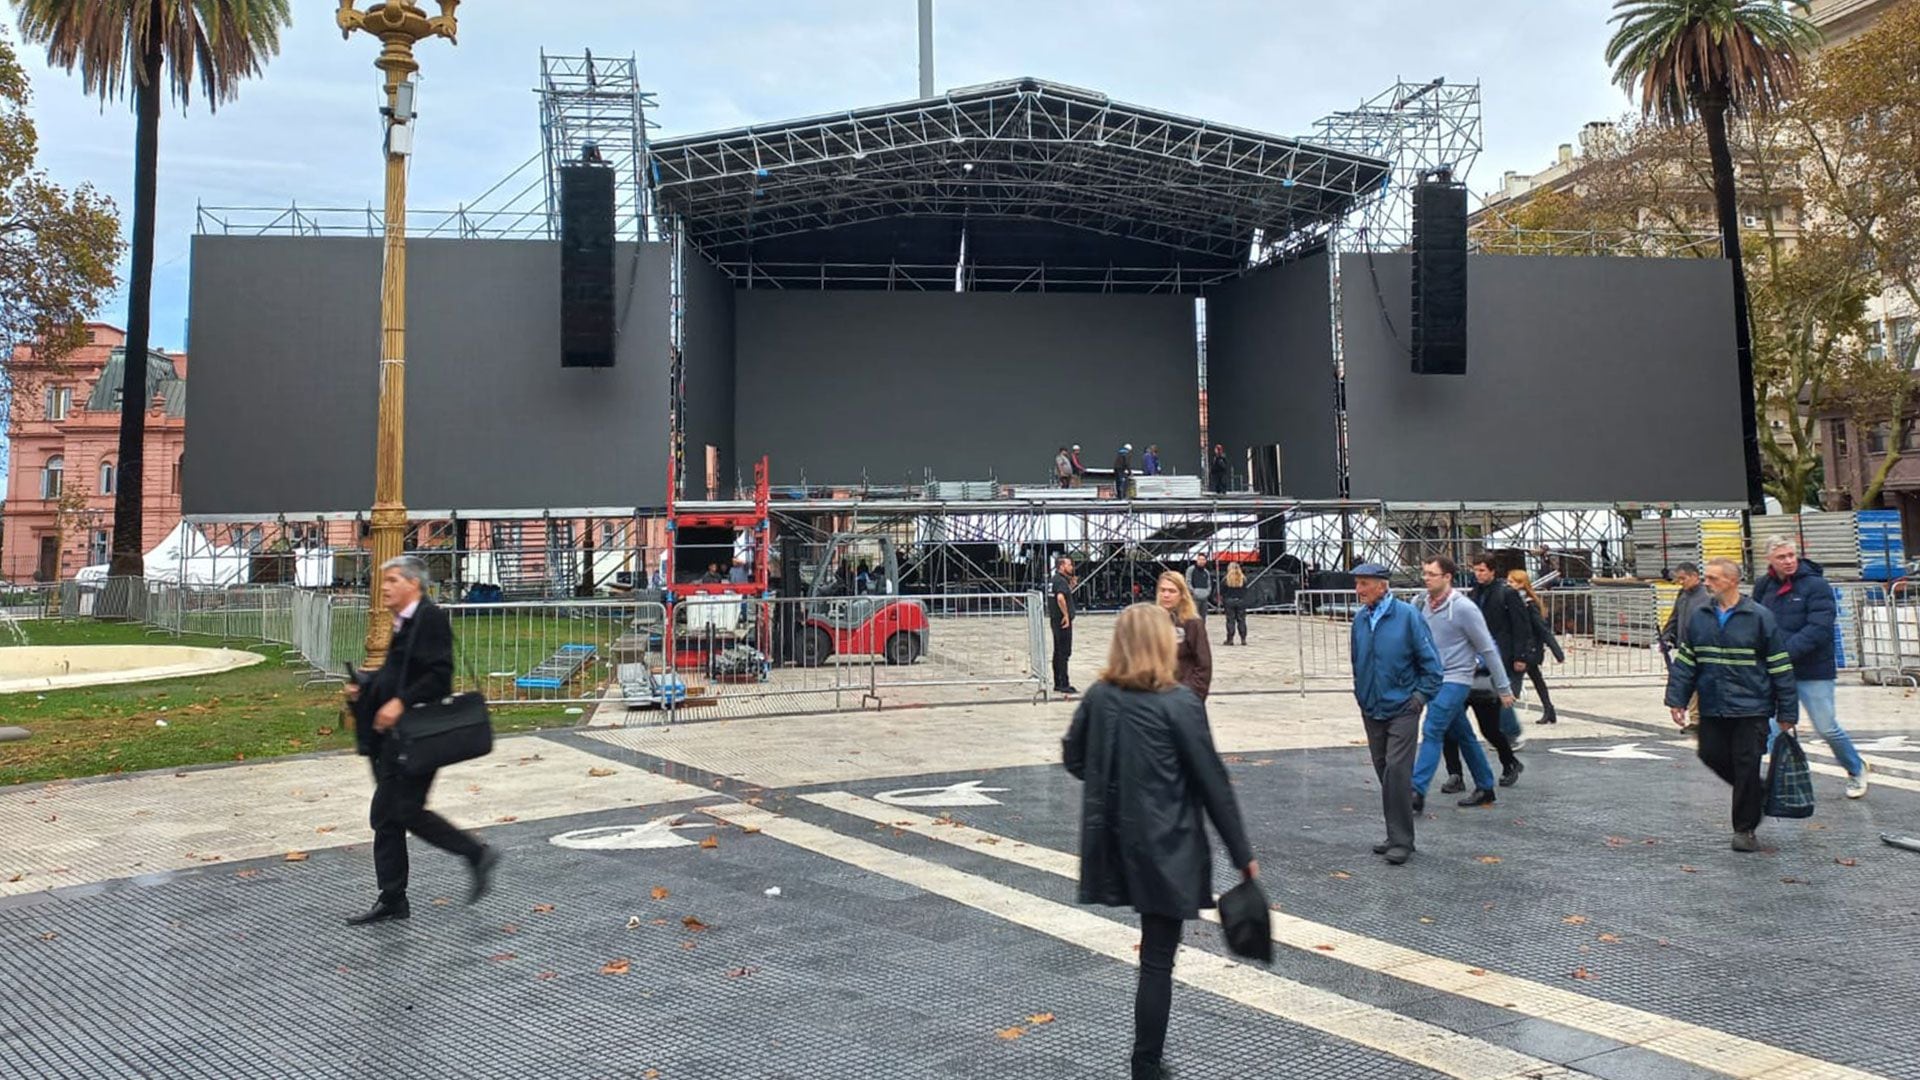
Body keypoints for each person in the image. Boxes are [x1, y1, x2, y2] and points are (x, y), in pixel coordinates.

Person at [1062, 603, 1256, 1080]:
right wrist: (1242, 854)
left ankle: (1147, 1064)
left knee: (1154, 957)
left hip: (1115, 840)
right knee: (1156, 960)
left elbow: (1073, 756)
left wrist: (1112, 780)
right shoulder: (1180, 703)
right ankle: (1146, 1063)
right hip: (1169, 843)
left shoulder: (1100, 696)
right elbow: (1212, 782)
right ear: (1156, 643)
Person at [343, 556, 498, 925]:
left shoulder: (428, 619)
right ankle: (393, 898)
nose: (384, 587)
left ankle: (475, 853)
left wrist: (399, 702)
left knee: (402, 811)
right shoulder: (406, 622)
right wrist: (366, 688)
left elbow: (438, 676)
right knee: (387, 815)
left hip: (419, 737)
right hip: (398, 737)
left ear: (414, 583)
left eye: (392, 580)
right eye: (384, 581)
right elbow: (400, 672)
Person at [1664, 557, 1798, 852]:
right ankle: (1757, 792)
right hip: (1713, 703)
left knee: (1746, 764)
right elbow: (1688, 661)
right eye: (1707, 578)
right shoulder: (1701, 615)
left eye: (1713, 578)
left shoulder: (1760, 617)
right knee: (1710, 753)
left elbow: (1779, 666)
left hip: (1752, 707)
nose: (1707, 583)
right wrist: (1677, 698)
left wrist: (1787, 711)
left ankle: (1744, 829)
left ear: (1733, 581)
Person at [1754, 537, 1868, 799]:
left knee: (1826, 726)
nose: (1789, 561)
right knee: (1772, 727)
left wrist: (1784, 653)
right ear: (1770, 559)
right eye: (1782, 557)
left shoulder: (1816, 585)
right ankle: (1778, 780)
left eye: (1792, 555)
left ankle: (1856, 767)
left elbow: (1819, 628)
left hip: (1813, 669)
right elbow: (1756, 620)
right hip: (1777, 670)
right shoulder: (1764, 586)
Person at [1347, 562, 1445, 865]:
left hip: (1403, 706)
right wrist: (1361, 694)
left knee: (1397, 770)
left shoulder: (1408, 617)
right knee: (1383, 770)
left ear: (1382, 585)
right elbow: (1357, 660)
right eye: (1357, 583)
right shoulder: (1361, 620)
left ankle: (1402, 840)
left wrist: (1418, 698)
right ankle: (1395, 833)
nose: (1358, 590)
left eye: (1364, 584)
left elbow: (1432, 665)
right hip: (1372, 706)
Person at [1412, 556, 1504, 815]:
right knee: (1463, 734)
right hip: (1433, 679)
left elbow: (1487, 647)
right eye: (1425, 573)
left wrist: (1504, 687)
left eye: (1431, 573)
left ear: (1447, 577)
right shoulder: (1420, 604)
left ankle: (1416, 789)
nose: (1426, 578)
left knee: (1432, 728)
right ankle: (1485, 785)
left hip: (1457, 678)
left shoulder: (1463, 608)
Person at [1660, 562, 1713, 734]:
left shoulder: (1707, 596)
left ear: (1695, 576)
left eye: (1683, 578)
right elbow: (1674, 617)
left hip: (1702, 646)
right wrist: (1665, 637)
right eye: (1678, 579)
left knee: (1700, 685)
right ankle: (1696, 720)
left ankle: (1700, 720)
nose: (1681, 582)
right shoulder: (1683, 594)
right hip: (1685, 646)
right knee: (1689, 684)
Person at [1506, 568, 1563, 724]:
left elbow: (1542, 629)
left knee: (1514, 682)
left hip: (1529, 649)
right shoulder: (1515, 602)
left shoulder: (1529, 605)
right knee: (1536, 679)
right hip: (1524, 647)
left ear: (1521, 584)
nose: (1508, 585)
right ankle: (1549, 709)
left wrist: (1557, 650)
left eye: (1511, 582)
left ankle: (1506, 716)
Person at [1155, 571, 1212, 700]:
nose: (1166, 595)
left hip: (1183, 693)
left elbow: (1204, 663)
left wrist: (1195, 695)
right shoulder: (1152, 621)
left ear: (1182, 594)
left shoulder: (1192, 623)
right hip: (1156, 695)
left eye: (1172, 591)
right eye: (1162, 590)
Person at [1050, 554, 1078, 695]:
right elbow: (1060, 598)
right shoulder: (1060, 581)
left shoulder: (1055, 580)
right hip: (1062, 621)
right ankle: (1063, 683)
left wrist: (1071, 587)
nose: (1071, 567)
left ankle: (1058, 682)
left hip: (1055, 619)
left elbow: (1062, 594)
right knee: (1063, 652)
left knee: (1058, 651)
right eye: (1069, 565)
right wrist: (1066, 615)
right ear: (1061, 566)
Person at [1220, 562, 1249, 645]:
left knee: (1230, 620)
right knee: (1242, 620)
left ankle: (1230, 639)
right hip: (1241, 601)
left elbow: (1222, 591)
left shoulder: (1226, 579)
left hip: (1229, 601)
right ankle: (1243, 639)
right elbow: (1245, 590)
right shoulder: (1243, 579)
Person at [1185, 554, 1215, 625]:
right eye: (1200, 559)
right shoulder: (1191, 570)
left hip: (1204, 599)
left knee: (1203, 619)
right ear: (1197, 560)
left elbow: (1209, 584)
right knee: (1194, 618)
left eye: (1203, 560)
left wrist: (1207, 592)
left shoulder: (1206, 572)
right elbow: (1188, 581)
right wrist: (1193, 592)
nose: (1201, 561)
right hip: (1194, 598)